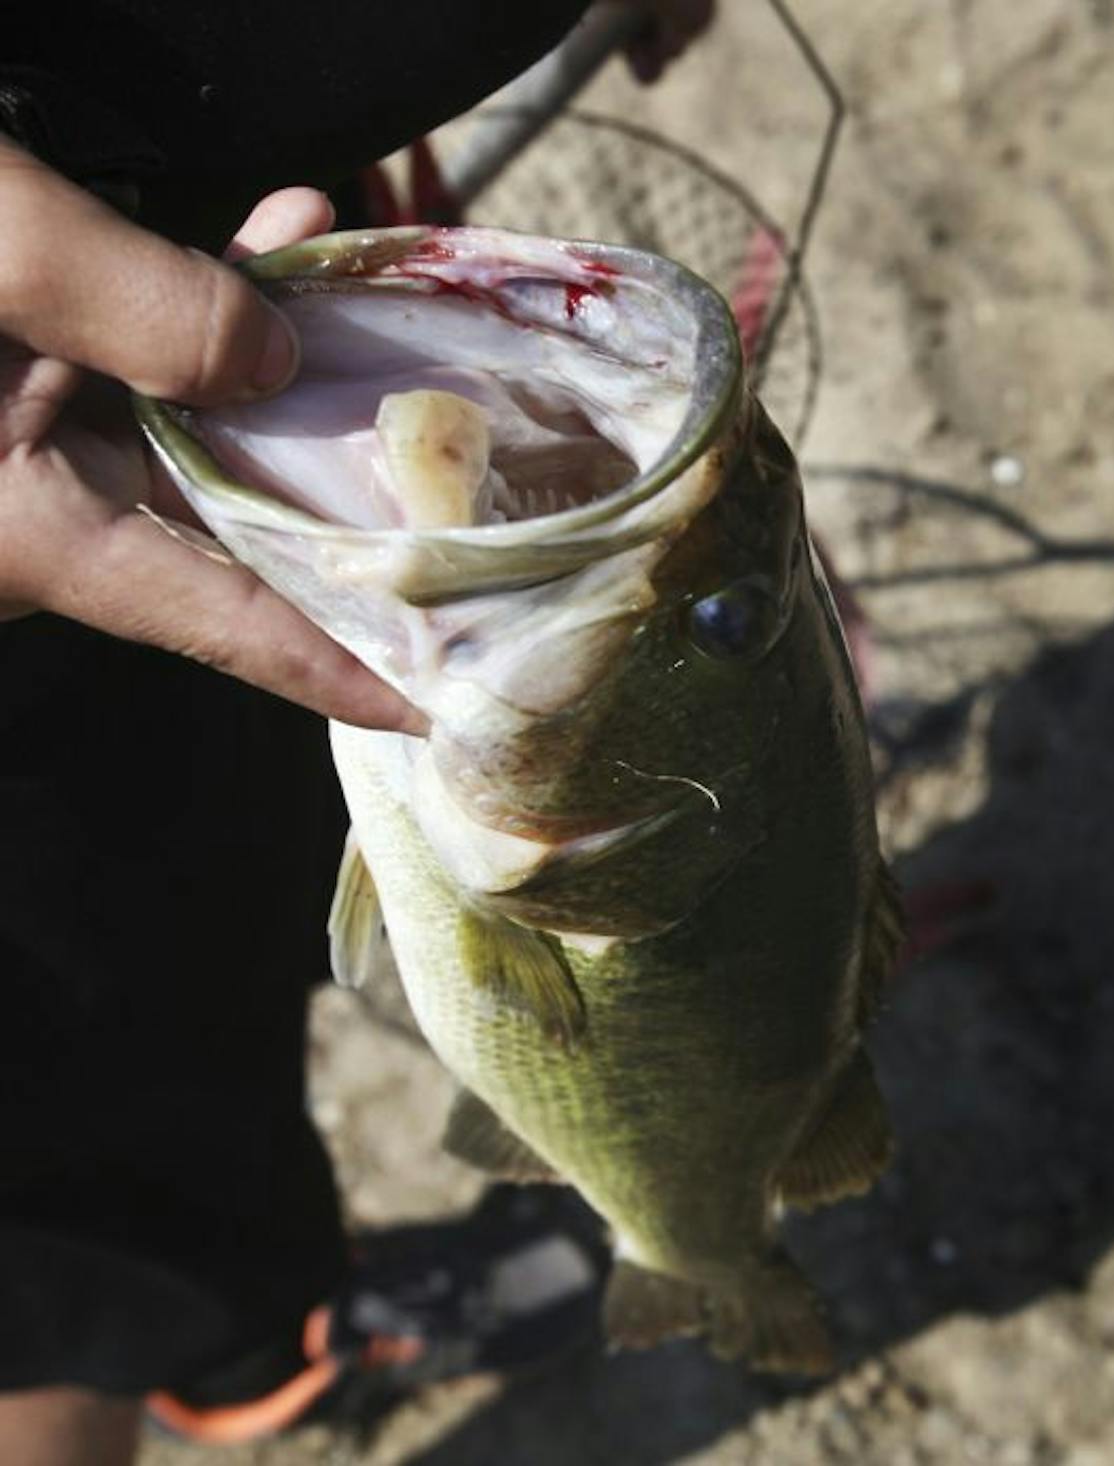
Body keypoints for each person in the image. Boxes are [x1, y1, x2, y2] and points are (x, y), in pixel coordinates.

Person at [0, 4, 713, 1461]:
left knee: (222, 964)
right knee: (62, 1247)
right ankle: (206, 1343)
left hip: (194, 292)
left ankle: (255, 1325)